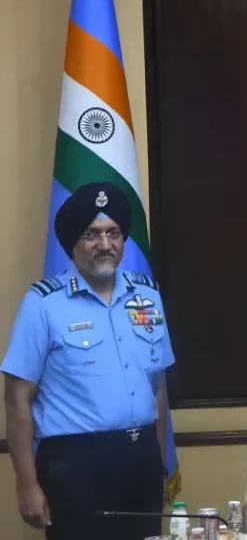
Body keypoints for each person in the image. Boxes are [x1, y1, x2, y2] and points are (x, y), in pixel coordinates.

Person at [2, 182, 174, 540]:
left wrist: (157, 466)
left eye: (114, 233)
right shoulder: (43, 303)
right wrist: (26, 485)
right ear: (72, 243)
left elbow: (156, 388)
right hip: (75, 464)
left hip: (140, 457)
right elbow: (18, 399)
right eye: (91, 234)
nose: (105, 244)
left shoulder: (147, 296)